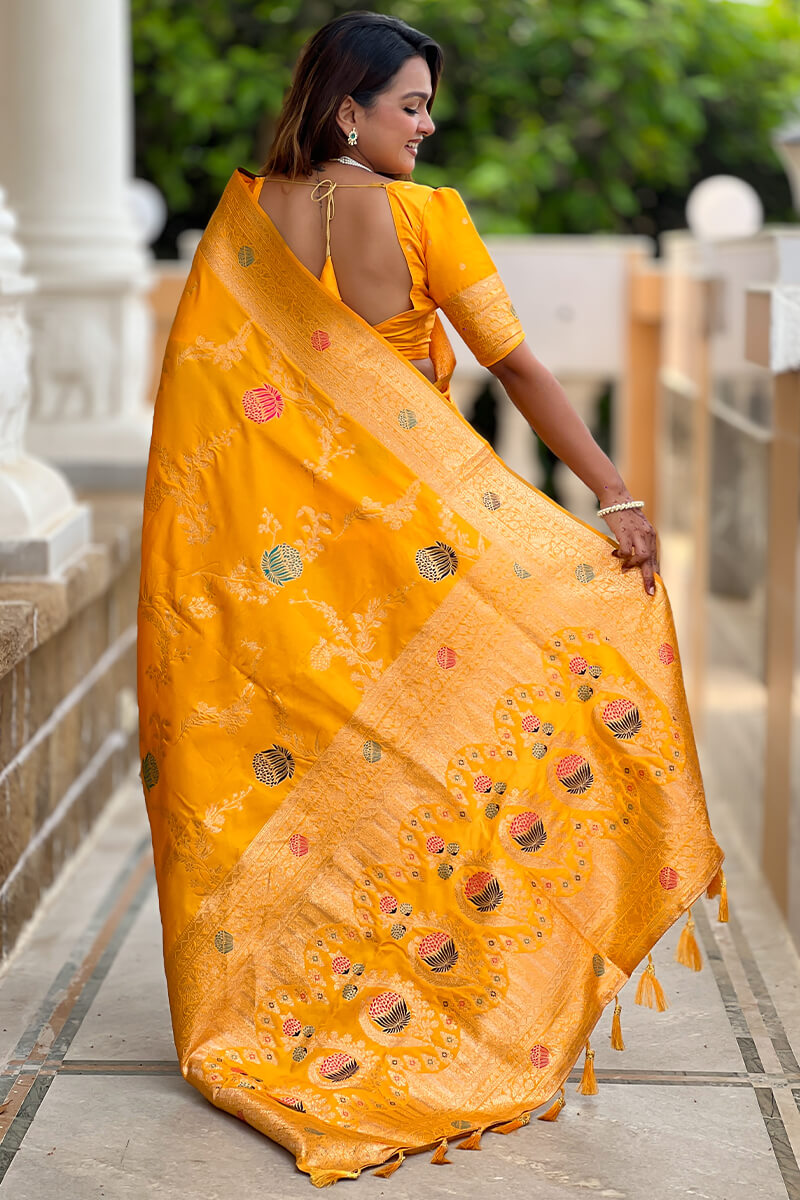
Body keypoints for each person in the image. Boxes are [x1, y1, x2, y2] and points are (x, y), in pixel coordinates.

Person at [137, 10, 727, 1189]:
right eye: (409, 103)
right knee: (444, 754)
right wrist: (611, 494)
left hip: (293, 579)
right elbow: (513, 365)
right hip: (424, 559)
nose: (428, 122)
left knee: (316, 776)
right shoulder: (414, 217)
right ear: (348, 110)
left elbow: (199, 424)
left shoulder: (244, 228)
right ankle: (433, 996)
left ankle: (293, 1006)